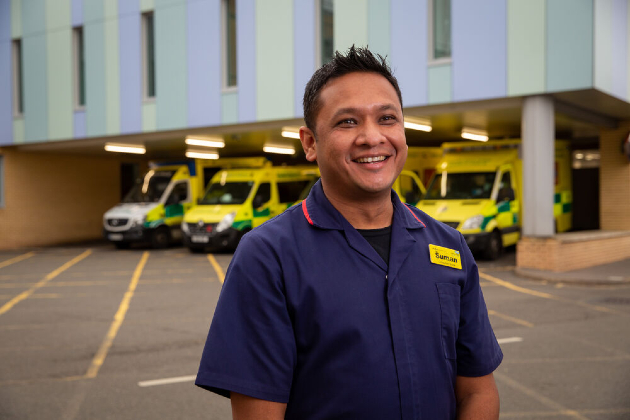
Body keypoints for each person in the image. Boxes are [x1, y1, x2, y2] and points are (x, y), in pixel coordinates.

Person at [196, 46, 503, 420]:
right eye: (347, 122)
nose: (372, 137)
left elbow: (477, 392)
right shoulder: (268, 256)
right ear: (310, 143)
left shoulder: (448, 246)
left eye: (387, 118)